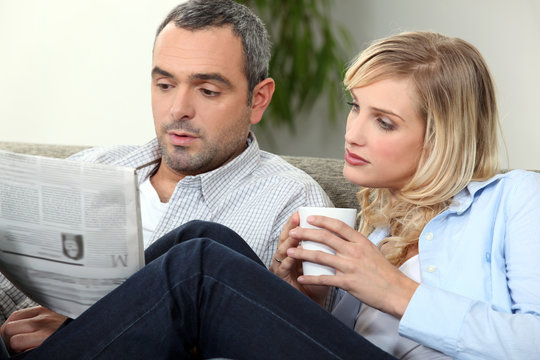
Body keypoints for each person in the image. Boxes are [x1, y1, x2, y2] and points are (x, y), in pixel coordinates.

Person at [2, 26, 539, 360]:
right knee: (206, 236)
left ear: (442, 135)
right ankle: (79, 333)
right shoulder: (374, 227)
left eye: (385, 121)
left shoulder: (516, 201)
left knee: (201, 265)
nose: (353, 133)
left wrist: (393, 289)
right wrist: (300, 300)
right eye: (355, 107)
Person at [0, 0, 331, 355]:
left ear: (258, 99)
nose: (178, 109)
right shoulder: (88, 167)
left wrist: (84, 331)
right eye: (165, 84)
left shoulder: (293, 205)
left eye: (207, 90)